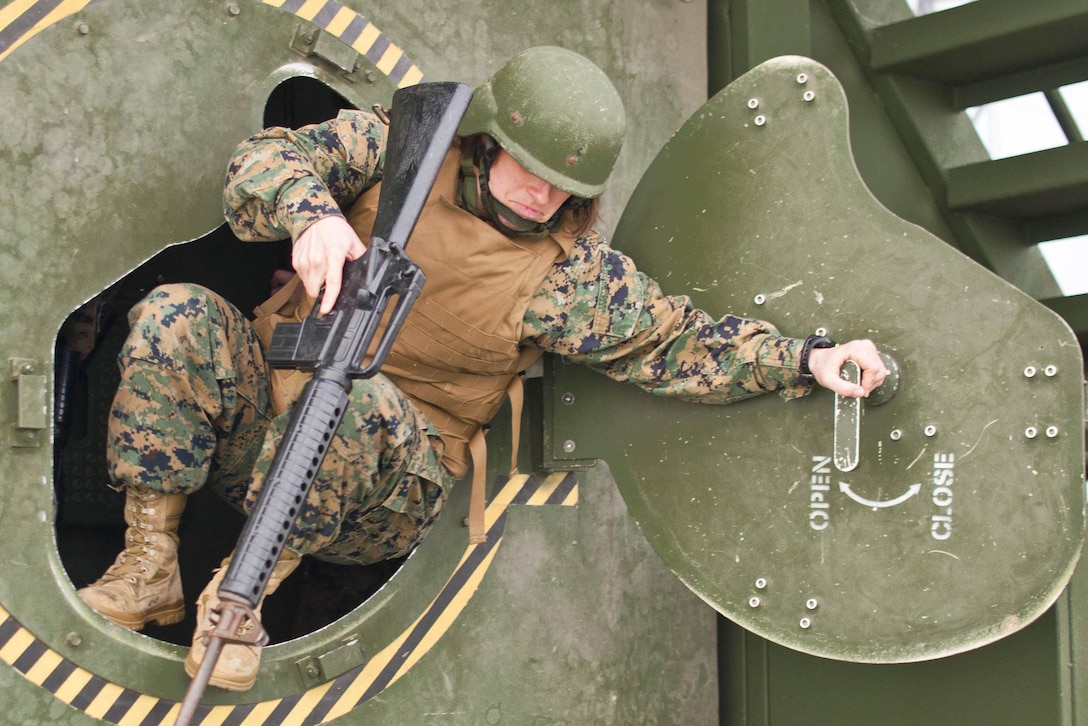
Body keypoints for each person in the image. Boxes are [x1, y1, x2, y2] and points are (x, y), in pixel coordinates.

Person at [76, 46, 887, 691]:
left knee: (360, 403)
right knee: (177, 314)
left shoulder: (568, 278)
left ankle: (240, 598)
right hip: (267, 410)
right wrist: (314, 215)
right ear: (488, 140)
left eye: (564, 187)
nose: (542, 197)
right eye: (529, 168)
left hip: (384, 488)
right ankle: (150, 564)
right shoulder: (403, 150)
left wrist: (808, 358)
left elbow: (676, 343)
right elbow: (262, 164)